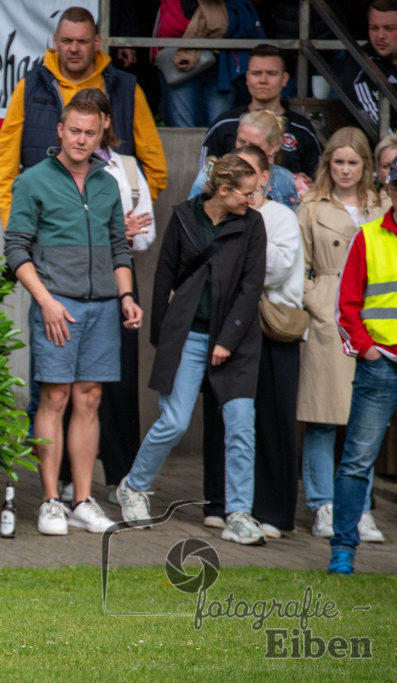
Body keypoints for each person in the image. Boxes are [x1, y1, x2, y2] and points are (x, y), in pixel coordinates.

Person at [3, 98, 143, 537]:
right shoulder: (32, 181)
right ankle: (50, 501)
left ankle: (82, 500)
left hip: (104, 304)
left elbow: (119, 247)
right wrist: (45, 301)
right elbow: (15, 250)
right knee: (55, 399)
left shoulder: (107, 182)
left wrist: (126, 296)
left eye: (91, 132)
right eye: (75, 131)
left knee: (89, 399)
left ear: (102, 133)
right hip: (56, 304)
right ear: (60, 130)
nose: (82, 140)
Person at [117, 153, 268, 546]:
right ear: (223, 190)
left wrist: (227, 341)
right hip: (187, 335)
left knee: (240, 424)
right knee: (174, 421)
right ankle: (133, 487)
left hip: (235, 341)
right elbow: (165, 274)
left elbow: (251, 288)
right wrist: (160, 336)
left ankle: (238, 513)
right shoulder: (184, 217)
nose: (251, 200)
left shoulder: (253, 225)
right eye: (246, 193)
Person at [199, 145, 304, 536]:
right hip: (225, 326)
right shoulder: (218, 215)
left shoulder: (280, 217)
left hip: (271, 329)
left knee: (273, 419)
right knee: (224, 414)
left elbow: (274, 270)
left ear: (264, 177)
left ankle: (274, 511)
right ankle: (221, 501)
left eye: (252, 173)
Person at [0, 5, 167, 230]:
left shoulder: (125, 89)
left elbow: (156, 168)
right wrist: (16, 226)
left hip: (106, 235)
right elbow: (4, 169)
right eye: (67, 41)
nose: (74, 49)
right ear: (55, 41)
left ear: (97, 42)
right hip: (43, 229)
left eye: (83, 42)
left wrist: (124, 215)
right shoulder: (29, 88)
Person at [296, 127, 387, 543]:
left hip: (376, 318)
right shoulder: (312, 206)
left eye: (353, 162)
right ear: (327, 163)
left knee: (363, 420)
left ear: (366, 166)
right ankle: (323, 505)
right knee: (322, 415)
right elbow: (299, 265)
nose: (345, 170)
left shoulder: (382, 204)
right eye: (338, 162)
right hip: (328, 314)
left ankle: (360, 508)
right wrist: (313, 299)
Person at [68, 88, 156, 490]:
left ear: (107, 123)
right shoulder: (59, 169)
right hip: (71, 278)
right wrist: (112, 231)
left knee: (120, 382)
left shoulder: (129, 169)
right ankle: (69, 479)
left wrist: (119, 236)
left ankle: (123, 478)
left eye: (99, 119)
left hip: (119, 277)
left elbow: (145, 234)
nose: (90, 130)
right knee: (71, 380)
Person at [327, 156, 397, 574]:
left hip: (380, 362)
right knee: (357, 460)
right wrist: (367, 349)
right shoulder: (367, 237)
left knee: (356, 460)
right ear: (390, 190)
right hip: (381, 363)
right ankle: (343, 551)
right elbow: (346, 305)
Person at [198, 44, 322, 185]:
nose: (263, 80)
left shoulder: (302, 128)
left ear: (285, 78)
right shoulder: (223, 125)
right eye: (256, 73)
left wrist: (304, 185)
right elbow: (205, 181)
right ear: (247, 77)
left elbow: (318, 183)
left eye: (271, 73)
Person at [154, 0, 264, 128]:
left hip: (222, 61)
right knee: (182, 129)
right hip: (181, 59)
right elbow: (172, 28)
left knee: (219, 127)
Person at [189, 109, 300, 210]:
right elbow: (190, 218)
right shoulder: (209, 174)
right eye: (241, 141)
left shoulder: (284, 178)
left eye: (254, 145)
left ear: (274, 146)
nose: (244, 149)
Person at [342, 0, 397, 132]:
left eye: (389, 28)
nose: (380, 36)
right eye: (374, 28)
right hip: (382, 149)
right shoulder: (361, 65)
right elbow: (379, 127)